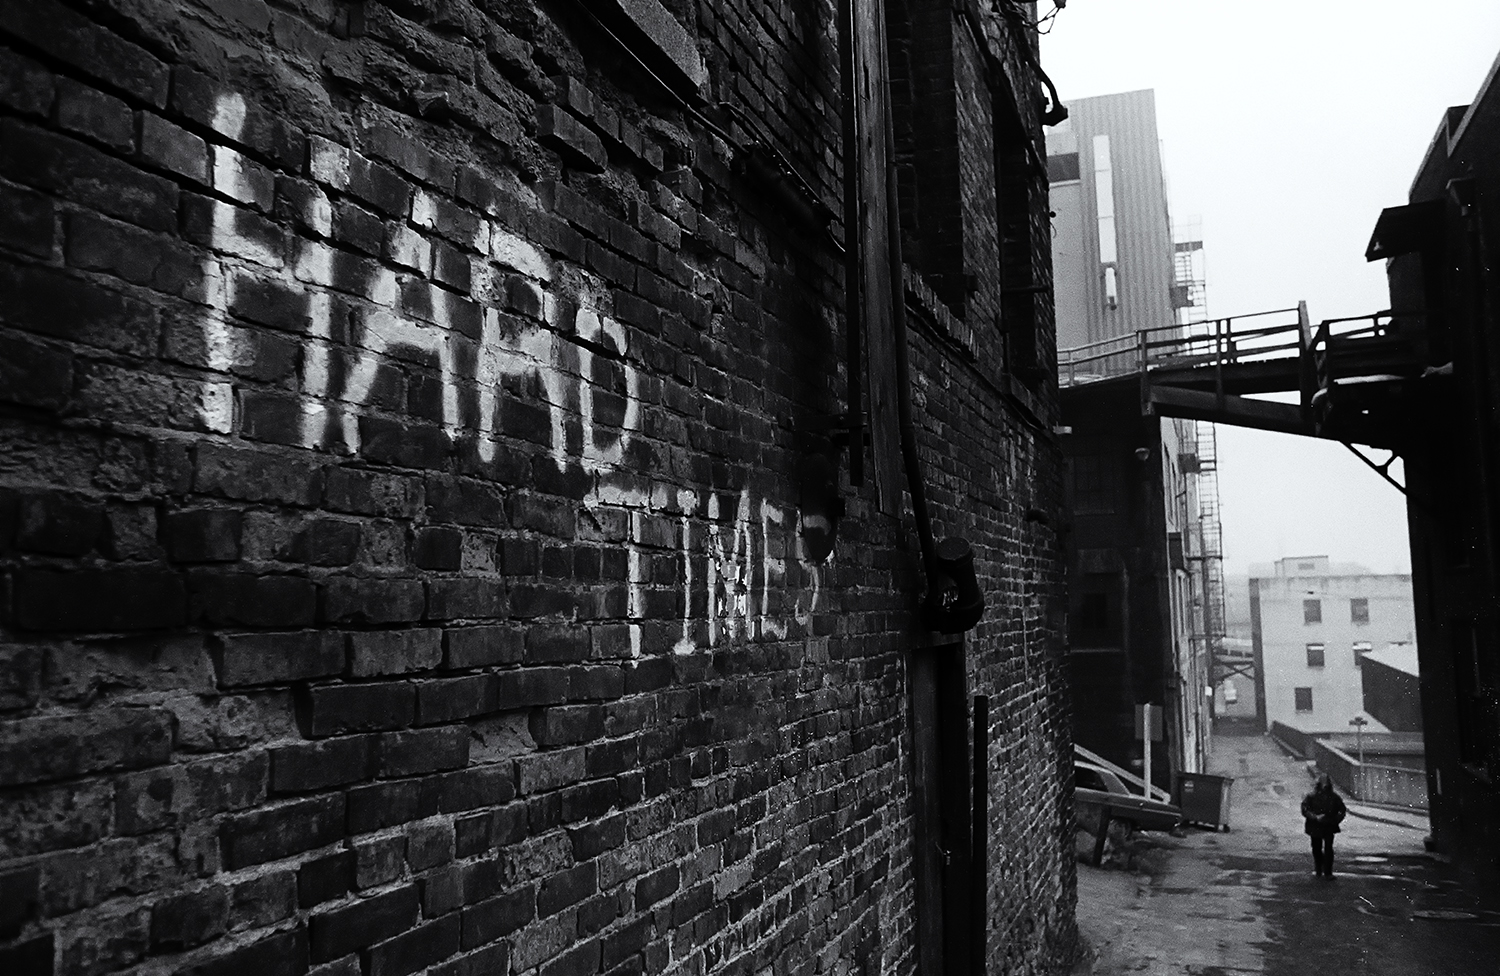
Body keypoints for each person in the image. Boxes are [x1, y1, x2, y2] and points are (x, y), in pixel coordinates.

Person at [1300, 772, 1348, 877]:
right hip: (1316, 825)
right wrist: (1315, 817)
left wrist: (1335, 820)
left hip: (1328, 825)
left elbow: (1342, 810)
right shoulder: (1312, 796)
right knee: (1317, 848)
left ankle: (1327, 871)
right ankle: (1319, 868)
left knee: (1328, 848)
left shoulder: (1334, 797)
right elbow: (1305, 809)